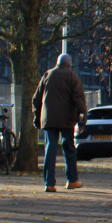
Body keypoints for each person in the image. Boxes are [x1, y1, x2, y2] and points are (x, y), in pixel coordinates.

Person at [32, 53, 88, 193]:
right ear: (69, 64)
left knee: (50, 149)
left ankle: (49, 184)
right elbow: (79, 98)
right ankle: (72, 180)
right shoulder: (72, 76)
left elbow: (36, 99)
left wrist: (37, 116)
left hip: (49, 119)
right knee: (69, 149)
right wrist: (83, 116)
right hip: (66, 119)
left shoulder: (47, 75)